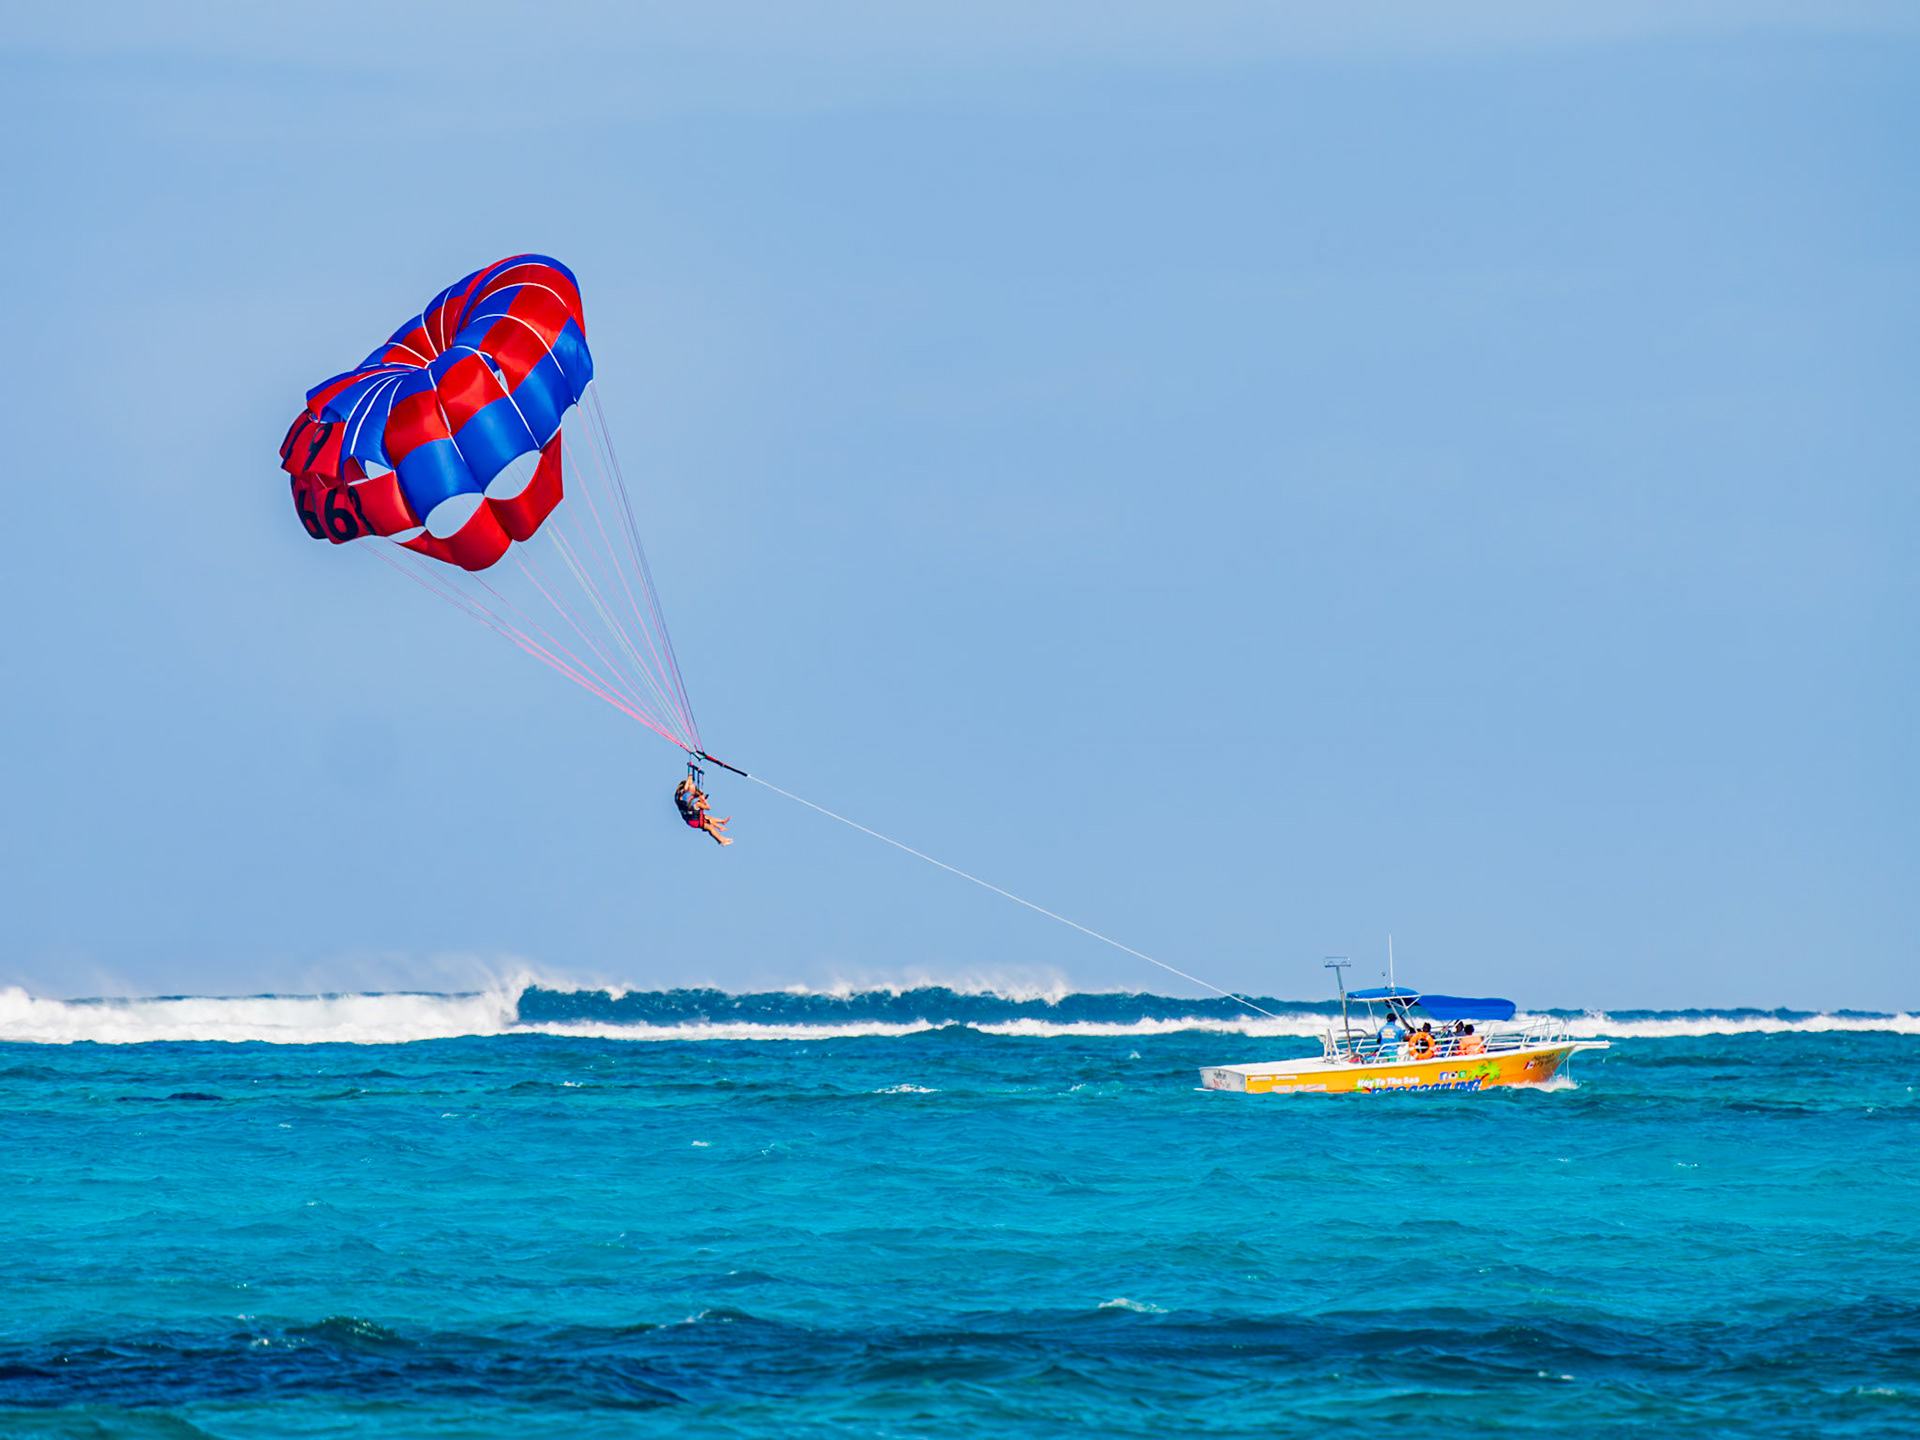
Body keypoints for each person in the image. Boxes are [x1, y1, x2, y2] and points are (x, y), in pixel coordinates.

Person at [674, 776, 733, 846]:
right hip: (695, 821)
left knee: (707, 818)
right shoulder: (696, 803)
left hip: (690, 819)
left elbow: (686, 787)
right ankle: (722, 840)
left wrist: (689, 777)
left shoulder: (685, 796)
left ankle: (721, 836)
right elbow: (708, 807)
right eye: (694, 787)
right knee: (710, 827)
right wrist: (704, 801)